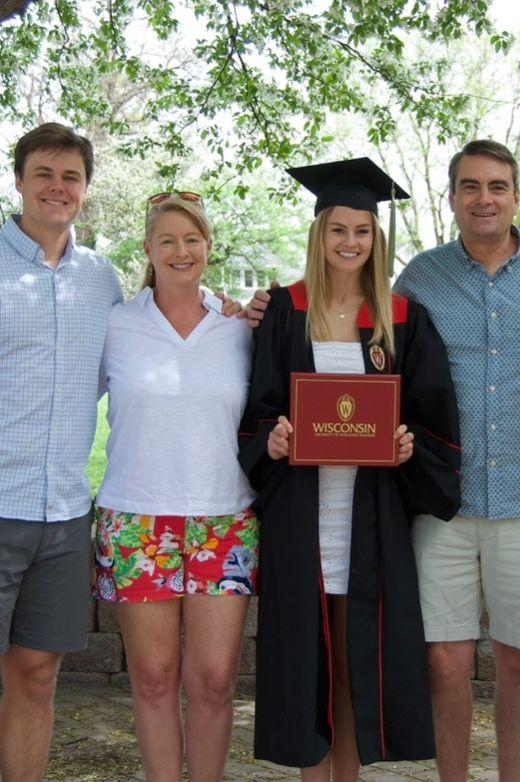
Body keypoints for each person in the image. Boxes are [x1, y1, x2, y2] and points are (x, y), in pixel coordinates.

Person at [238, 158, 461, 781]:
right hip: (301, 514)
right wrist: (272, 438)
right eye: (337, 229)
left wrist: (407, 445)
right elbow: (256, 407)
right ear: (319, 233)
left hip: (371, 516)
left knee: (353, 664)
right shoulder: (284, 309)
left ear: (376, 238)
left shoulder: (402, 317)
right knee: (309, 664)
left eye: (362, 231)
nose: (349, 242)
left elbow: (432, 416)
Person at [392, 140, 520, 781]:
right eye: (471, 186)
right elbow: (370, 352)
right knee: (444, 661)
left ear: (516, 196)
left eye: (497, 186)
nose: (485, 198)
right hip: (442, 506)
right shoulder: (419, 279)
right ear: (452, 197)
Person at [92, 192, 258, 781]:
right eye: (166, 240)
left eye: (191, 240)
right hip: (136, 520)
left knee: (214, 681)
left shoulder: (241, 327)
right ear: (148, 248)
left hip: (224, 520)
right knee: (154, 678)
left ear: (208, 247)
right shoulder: (116, 323)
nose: (179, 251)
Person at [0, 123, 124, 782]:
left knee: (38, 674)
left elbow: (141, 359)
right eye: (44, 173)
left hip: (65, 515)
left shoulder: (102, 280)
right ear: (19, 180)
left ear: (85, 188)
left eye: (70, 176)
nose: (57, 187)